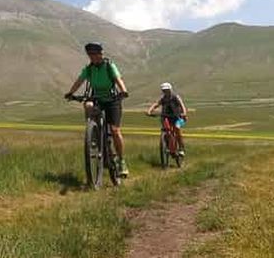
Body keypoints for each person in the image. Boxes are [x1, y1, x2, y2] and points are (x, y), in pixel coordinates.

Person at [64, 42, 130, 177]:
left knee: (115, 130)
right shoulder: (89, 69)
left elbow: (118, 79)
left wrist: (123, 91)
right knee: (87, 105)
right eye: (90, 55)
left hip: (112, 100)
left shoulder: (109, 66)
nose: (92, 57)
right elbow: (79, 81)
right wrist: (70, 93)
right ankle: (93, 131)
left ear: (101, 54)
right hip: (97, 99)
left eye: (94, 54)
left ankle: (121, 161)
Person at [146, 82, 188, 156]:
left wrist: (184, 113)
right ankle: (168, 145)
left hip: (178, 117)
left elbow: (182, 105)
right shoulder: (163, 99)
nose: (165, 92)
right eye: (164, 90)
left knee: (177, 128)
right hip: (167, 116)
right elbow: (156, 104)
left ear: (170, 90)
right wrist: (149, 111)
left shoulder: (175, 97)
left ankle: (181, 148)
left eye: (167, 90)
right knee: (166, 129)